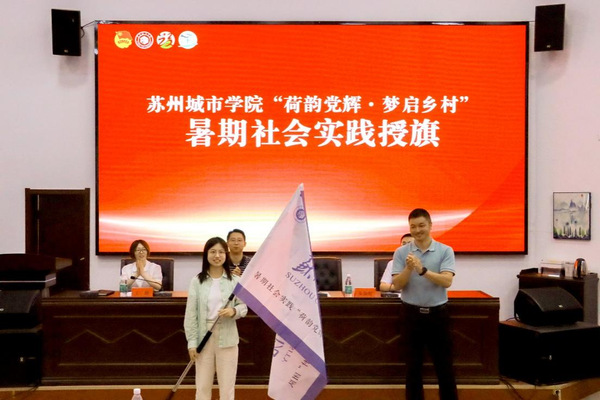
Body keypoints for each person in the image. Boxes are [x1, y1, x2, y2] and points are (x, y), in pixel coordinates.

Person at [391, 208, 458, 400]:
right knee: (413, 368)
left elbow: (447, 281)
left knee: (444, 366)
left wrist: (422, 270)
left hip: (438, 315)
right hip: (410, 315)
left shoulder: (445, 250)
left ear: (430, 226)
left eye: (421, 225)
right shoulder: (401, 252)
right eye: (413, 226)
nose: (417, 230)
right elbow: (397, 284)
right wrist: (408, 268)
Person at [184, 236, 248, 400]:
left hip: (227, 336)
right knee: (203, 386)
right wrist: (192, 343)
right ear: (206, 254)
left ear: (226, 255)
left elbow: (244, 307)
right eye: (213, 252)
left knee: (227, 387)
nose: (217, 255)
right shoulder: (197, 281)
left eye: (221, 252)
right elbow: (191, 315)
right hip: (203, 337)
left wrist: (233, 311)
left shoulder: (235, 281)